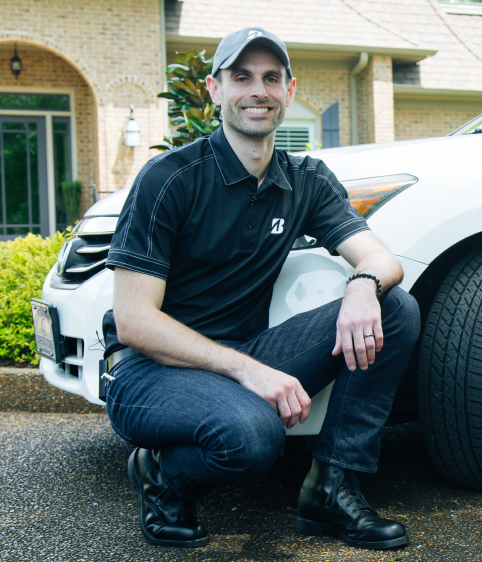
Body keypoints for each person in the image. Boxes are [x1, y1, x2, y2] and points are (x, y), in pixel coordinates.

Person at [100, 27, 419, 550]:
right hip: (149, 370)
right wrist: (249, 372)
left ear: (289, 91)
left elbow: (380, 258)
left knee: (395, 307)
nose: (258, 90)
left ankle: (333, 487)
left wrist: (363, 284)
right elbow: (135, 321)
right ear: (214, 89)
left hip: (243, 350)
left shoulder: (305, 179)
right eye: (241, 77)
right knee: (253, 439)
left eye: (271, 78)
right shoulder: (170, 179)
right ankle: (164, 475)